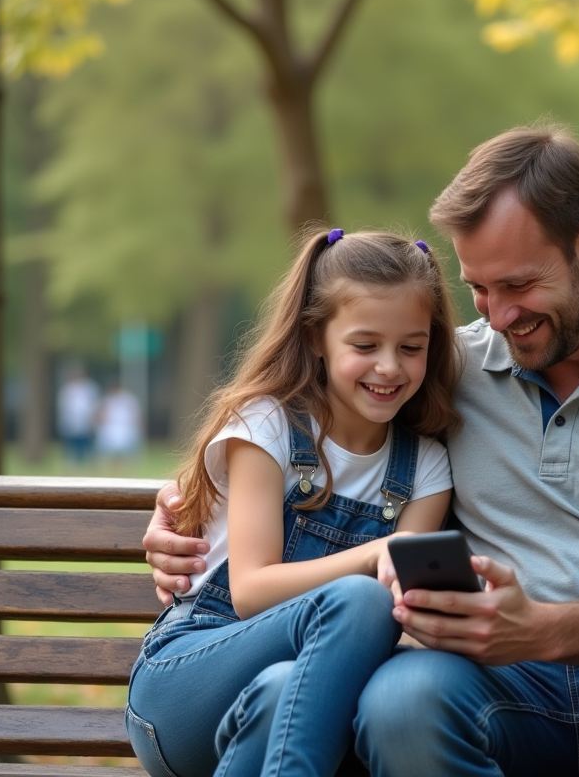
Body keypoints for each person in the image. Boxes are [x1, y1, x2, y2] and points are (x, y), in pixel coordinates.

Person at [144, 124, 579, 776]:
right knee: (404, 697)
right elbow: (322, 422)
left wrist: (542, 629)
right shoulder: (446, 369)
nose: (499, 315)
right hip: (497, 692)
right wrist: (186, 506)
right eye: (480, 288)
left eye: (519, 285)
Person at [125, 227, 461, 777]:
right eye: (364, 345)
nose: (389, 367)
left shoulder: (425, 466)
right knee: (358, 600)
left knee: (291, 680)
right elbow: (251, 591)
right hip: (187, 685)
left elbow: (407, 613)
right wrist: (376, 556)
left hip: (299, 705)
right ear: (315, 339)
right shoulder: (267, 427)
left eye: (411, 347)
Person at [95, 379, 143, 473]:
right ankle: (113, 470)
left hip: (125, 428)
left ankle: (124, 471)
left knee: (125, 453)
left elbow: (136, 414)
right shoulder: (108, 399)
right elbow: (100, 414)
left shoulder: (129, 399)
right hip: (110, 428)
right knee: (111, 453)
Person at [57, 363, 100, 466]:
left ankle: (89, 465)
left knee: (88, 447)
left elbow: (95, 405)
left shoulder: (90, 388)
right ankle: (71, 465)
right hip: (71, 422)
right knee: (71, 448)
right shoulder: (67, 389)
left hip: (86, 422)